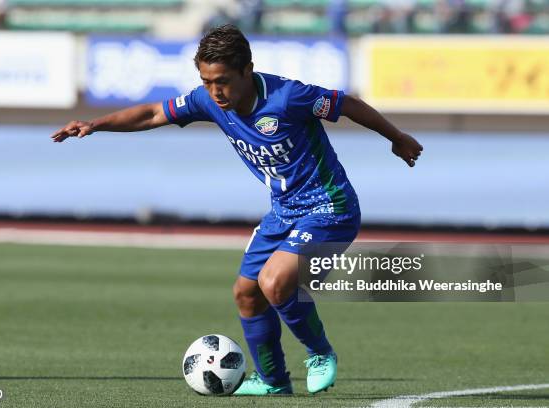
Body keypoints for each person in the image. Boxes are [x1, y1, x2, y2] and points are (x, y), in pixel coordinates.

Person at [51, 24, 423, 395]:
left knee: (274, 283)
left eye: (223, 80)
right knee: (246, 294)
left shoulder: (289, 96)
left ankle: (319, 353)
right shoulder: (207, 100)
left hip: (331, 207)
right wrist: (95, 125)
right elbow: (151, 114)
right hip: (283, 211)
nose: (215, 90)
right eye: (207, 80)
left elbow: (348, 104)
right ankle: (275, 382)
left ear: (248, 70)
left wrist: (397, 137)